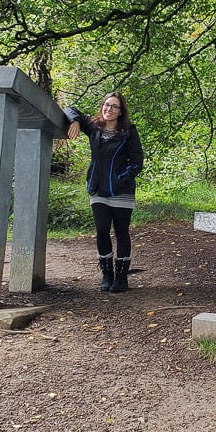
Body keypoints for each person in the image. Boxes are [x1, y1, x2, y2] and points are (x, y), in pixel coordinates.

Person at [64, 92, 144, 293]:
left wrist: (121, 178)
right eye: (107, 105)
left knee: (121, 232)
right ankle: (107, 274)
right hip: (98, 189)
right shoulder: (94, 128)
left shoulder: (128, 132)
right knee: (101, 230)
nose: (109, 109)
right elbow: (69, 108)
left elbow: (137, 162)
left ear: (120, 112)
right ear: (102, 106)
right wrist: (74, 121)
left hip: (121, 190)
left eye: (114, 107)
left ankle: (121, 277)